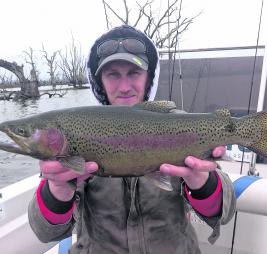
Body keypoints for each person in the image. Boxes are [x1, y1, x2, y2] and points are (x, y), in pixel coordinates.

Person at [28, 25, 236, 254]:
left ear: (149, 77)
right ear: (100, 82)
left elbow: (223, 212)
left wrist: (203, 182)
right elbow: (46, 232)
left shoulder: (182, 125)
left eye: (134, 73)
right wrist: (58, 188)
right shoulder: (74, 133)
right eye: (113, 75)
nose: (124, 87)